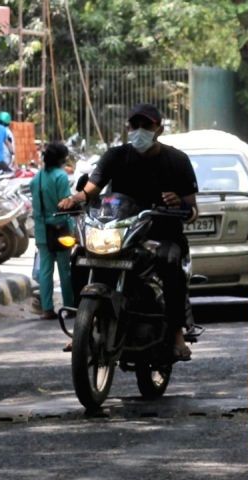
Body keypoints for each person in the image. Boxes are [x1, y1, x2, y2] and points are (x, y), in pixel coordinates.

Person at [58, 103, 198, 361]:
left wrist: (179, 203)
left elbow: (192, 209)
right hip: (119, 230)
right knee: (78, 255)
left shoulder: (177, 160)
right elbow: (91, 189)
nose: (140, 130)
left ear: (159, 129)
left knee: (170, 261)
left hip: (161, 233)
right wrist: (75, 199)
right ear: (128, 128)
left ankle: (177, 333)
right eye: (136, 125)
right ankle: (82, 326)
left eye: (147, 125)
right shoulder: (114, 156)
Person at [31, 142, 75, 320]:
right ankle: (70, 307)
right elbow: (65, 202)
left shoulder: (37, 178)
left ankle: (47, 309)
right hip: (61, 228)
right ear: (61, 159)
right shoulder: (61, 177)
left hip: (42, 229)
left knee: (46, 270)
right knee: (65, 269)